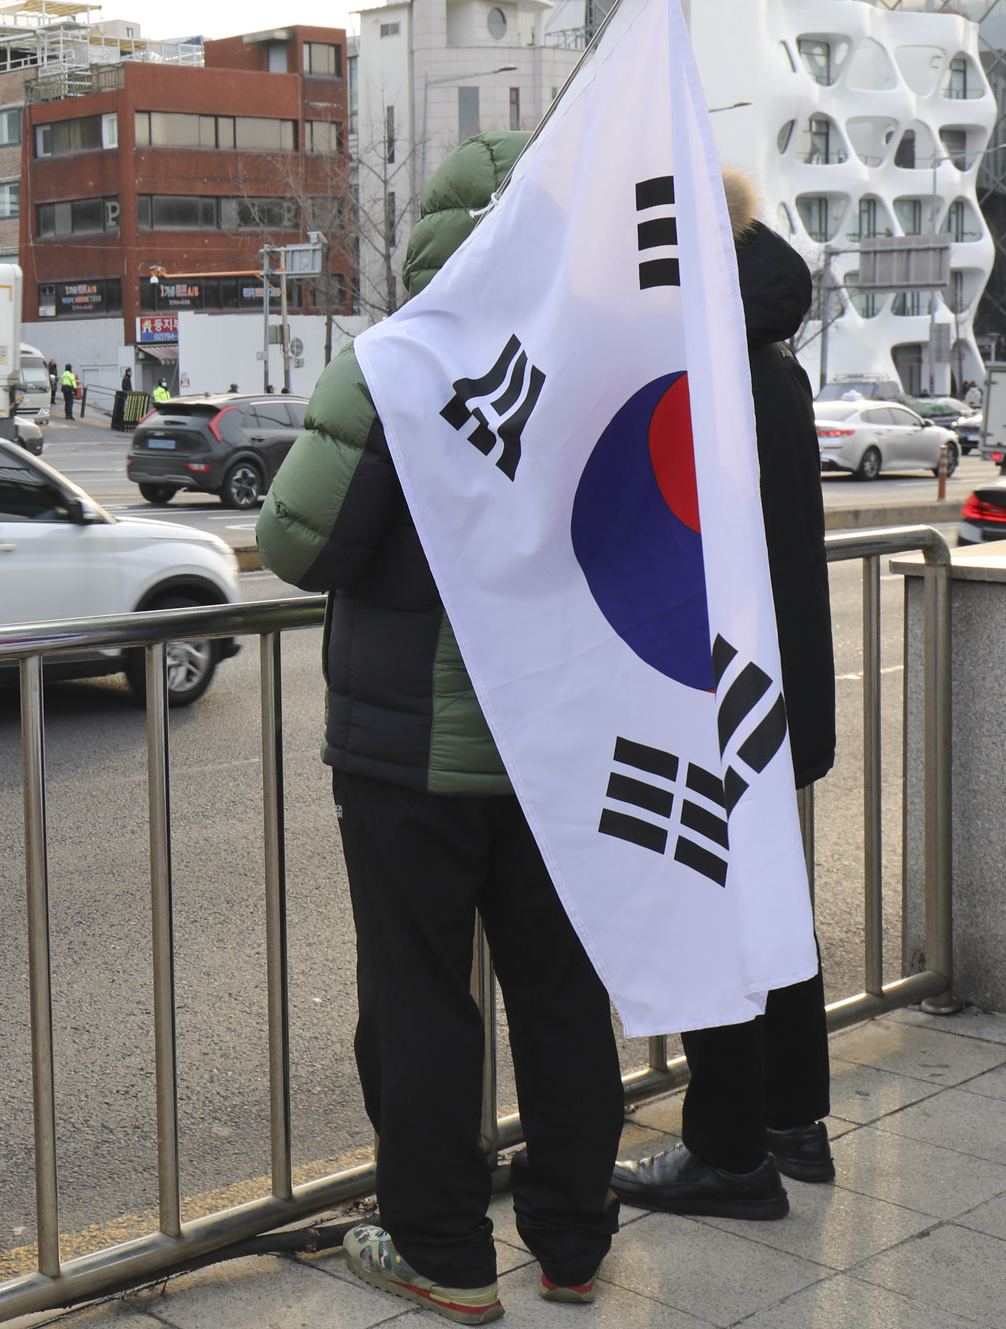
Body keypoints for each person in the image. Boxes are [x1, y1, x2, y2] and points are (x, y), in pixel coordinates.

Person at [258, 131, 622, 1323]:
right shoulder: (603, 366)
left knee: (417, 996)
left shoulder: (396, 364)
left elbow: (298, 545)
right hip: (559, 742)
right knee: (562, 995)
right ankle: (571, 1244)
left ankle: (442, 1253)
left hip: (409, 749)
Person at [610, 169, 837, 1221]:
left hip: (709, 687)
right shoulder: (767, 358)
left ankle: (726, 1150)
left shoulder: (700, 366)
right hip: (773, 683)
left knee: (716, 903)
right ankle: (791, 1117)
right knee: (768, 898)